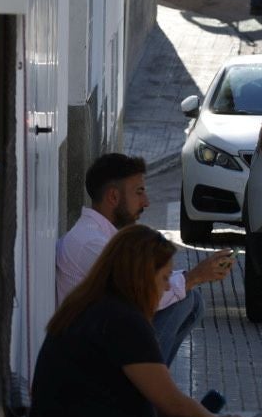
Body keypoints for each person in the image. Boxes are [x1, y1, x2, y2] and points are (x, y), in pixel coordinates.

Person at [28, 224, 262, 417]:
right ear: (141, 278)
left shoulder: (92, 306)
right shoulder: (121, 320)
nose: (165, 288)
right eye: (163, 278)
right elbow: (172, 405)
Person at [56, 153, 233, 369]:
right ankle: (146, 388)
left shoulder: (102, 237)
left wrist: (189, 279)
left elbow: (142, 287)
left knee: (190, 298)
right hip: (93, 358)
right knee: (186, 297)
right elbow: (141, 297)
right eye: (139, 192)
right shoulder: (92, 243)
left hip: (104, 340)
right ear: (113, 197)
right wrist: (194, 277)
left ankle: (152, 385)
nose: (146, 202)